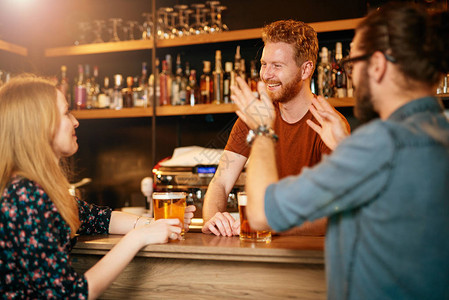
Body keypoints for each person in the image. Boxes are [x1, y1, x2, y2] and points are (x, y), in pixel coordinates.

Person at [232, 3, 449, 299]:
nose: (351, 78)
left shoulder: (381, 142)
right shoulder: (438, 133)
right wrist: (347, 148)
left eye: (352, 64)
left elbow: (259, 214)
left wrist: (261, 129)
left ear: (377, 65)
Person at [0, 75, 196, 299]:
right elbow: (72, 295)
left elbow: (95, 217)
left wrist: (157, 224)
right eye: (66, 113)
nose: (76, 122)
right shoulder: (25, 197)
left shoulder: (32, 189)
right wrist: (138, 238)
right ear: (39, 124)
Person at [202, 20, 350, 236]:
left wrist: (268, 224)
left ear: (305, 69)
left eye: (277, 66)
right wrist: (213, 218)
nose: (266, 75)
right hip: (261, 251)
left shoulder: (329, 123)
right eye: (264, 64)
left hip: (310, 258)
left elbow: (335, 215)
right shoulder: (255, 115)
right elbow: (221, 183)